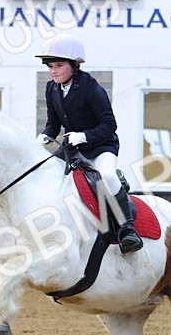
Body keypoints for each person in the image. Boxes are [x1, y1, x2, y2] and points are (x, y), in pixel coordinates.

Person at [36, 34, 142, 254]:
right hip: (73, 149)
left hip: (102, 146)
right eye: (50, 66)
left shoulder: (92, 89)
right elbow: (53, 124)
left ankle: (127, 230)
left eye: (59, 65)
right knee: (45, 173)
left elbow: (109, 125)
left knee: (108, 176)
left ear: (75, 65)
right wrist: (44, 136)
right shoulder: (51, 89)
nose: (53, 71)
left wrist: (84, 136)